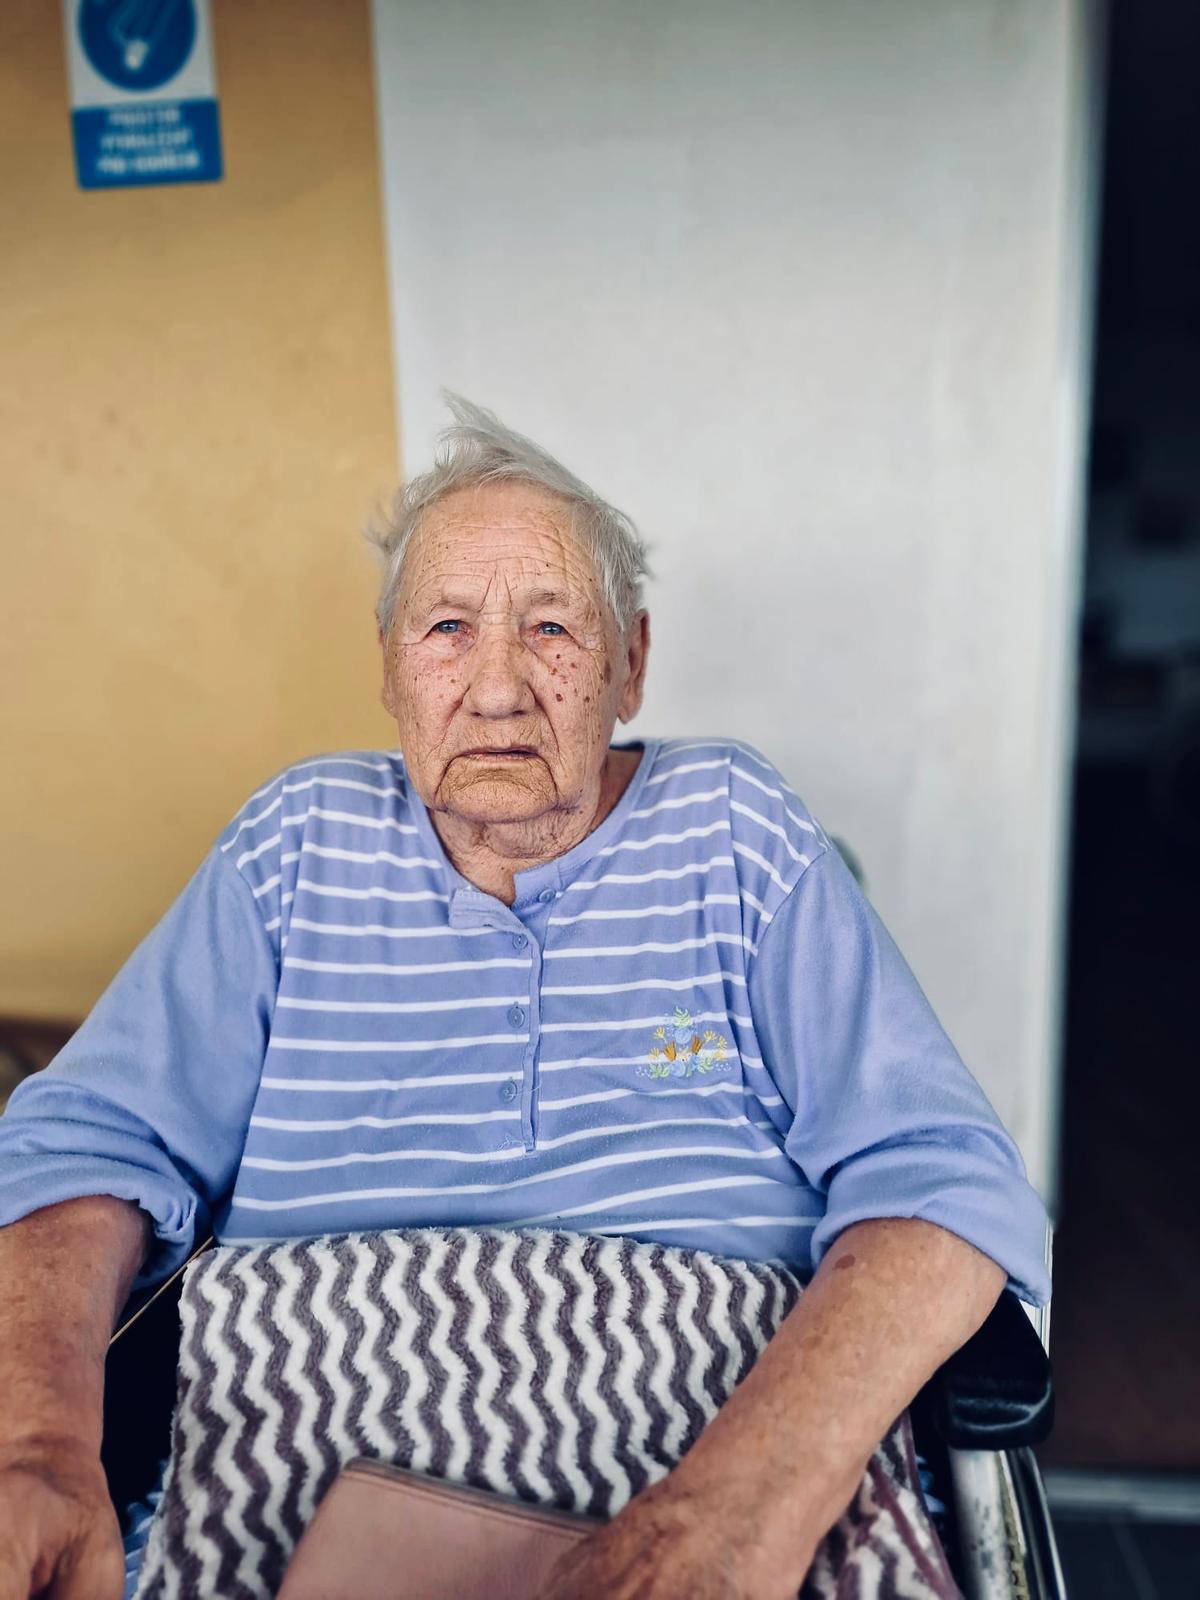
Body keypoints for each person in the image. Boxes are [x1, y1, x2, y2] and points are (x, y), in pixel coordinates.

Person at [0, 397, 1050, 1600]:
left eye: (550, 625)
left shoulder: (735, 831)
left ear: (630, 663)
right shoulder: (297, 842)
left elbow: (943, 1181)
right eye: (447, 626)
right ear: (389, 665)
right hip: (301, 1470)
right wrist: (36, 1445)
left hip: (730, 1459)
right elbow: (87, 1142)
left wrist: (733, 1515)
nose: (496, 687)